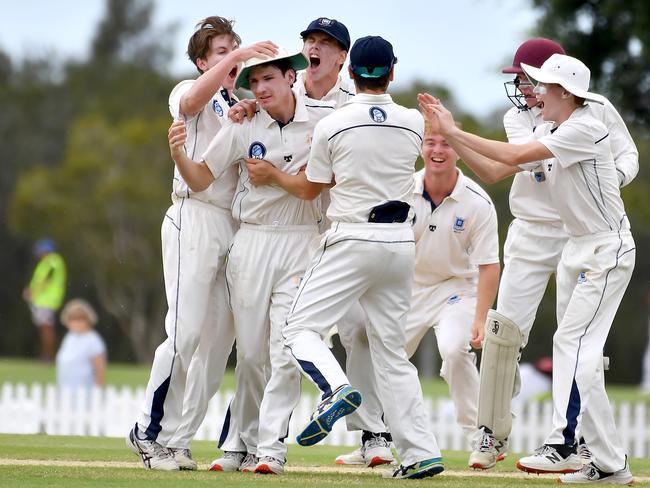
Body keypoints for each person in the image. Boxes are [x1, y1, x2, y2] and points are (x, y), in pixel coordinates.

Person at [419, 52, 635, 484]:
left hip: (602, 247)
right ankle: (599, 459)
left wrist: (452, 131)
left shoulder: (585, 124)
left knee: (577, 349)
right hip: (573, 243)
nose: (528, 89)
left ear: (561, 91)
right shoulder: (551, 123)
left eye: (537, 82)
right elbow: (505, 164)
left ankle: (576, 447)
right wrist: (453, 136)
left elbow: (518, 155)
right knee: (562, 346)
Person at [272, 35, 443, 480]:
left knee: (299, 328)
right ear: (392, 71)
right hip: (400, 244)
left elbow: (314, 187)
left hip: (351, 236)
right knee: (391, 355)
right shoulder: (412, 123)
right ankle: (419, 451)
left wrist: (271, 174)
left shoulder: (333, 124)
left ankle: (335, 389)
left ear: (351, 73)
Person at [168, 47, 336, 475]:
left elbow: (316, 187)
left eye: (269, 80)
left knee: (284, 351)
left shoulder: (320, 123)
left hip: (302, 243)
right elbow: (203, 177)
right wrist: (180, 159)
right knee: (250, 354)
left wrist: (276, 177)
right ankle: (238, 444)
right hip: (252, 242)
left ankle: (271, 450)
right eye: (254, 82)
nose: (260, 90)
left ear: (290, 78)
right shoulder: (241, 124)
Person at [239, 18, 395, 468]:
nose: (316, 48)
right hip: (297, 233)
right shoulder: (285, 93)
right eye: (310, 41)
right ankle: (254, 443)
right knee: (266, 348)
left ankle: (373, 434)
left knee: (358, 330)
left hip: (345, 234)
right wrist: (245, 107)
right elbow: (262, 109)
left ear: (343, 58)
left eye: (326, 43)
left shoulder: (358, 101)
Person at [126, 16, 277, 471]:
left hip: (232, 228)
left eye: (235, 48)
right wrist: (236, 58)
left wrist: (250, 107)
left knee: (216, 344)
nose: (233, 57)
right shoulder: (187, 88)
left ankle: (176, 439)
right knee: (185, 332)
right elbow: (192, 102)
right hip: (192, 214)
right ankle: (147, 432)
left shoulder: (239, 105)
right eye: (221, 51)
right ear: (202, 60)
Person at [332, 120, 500, 466]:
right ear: (421, 148)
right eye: (431, 143)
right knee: (373, 350)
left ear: (460, 151)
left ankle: (482, 436)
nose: (438, 151)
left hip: (456, 289)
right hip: (405, 288)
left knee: (454, 349)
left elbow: (488, 265)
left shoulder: (477, 202)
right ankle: (376, 438)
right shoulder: (401, 189)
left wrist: (481, 317)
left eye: (447, 144)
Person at [23, 238, 66, 362]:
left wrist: (32, 292)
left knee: (47, 328)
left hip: (47, 300)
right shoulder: (46, 262)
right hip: (42, 300)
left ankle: (49, 356)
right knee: (44, 328)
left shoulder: (53, 261)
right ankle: (47, 355)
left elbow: (46, 280)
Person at [56, 299, 106, 391]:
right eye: (73, 319)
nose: (76, 323)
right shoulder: (69, 337)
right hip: (65, 390)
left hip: (85, 392)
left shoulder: (93, 340)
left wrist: (97, 391)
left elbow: (99, 369)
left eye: (80, 319)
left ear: (88, 319)